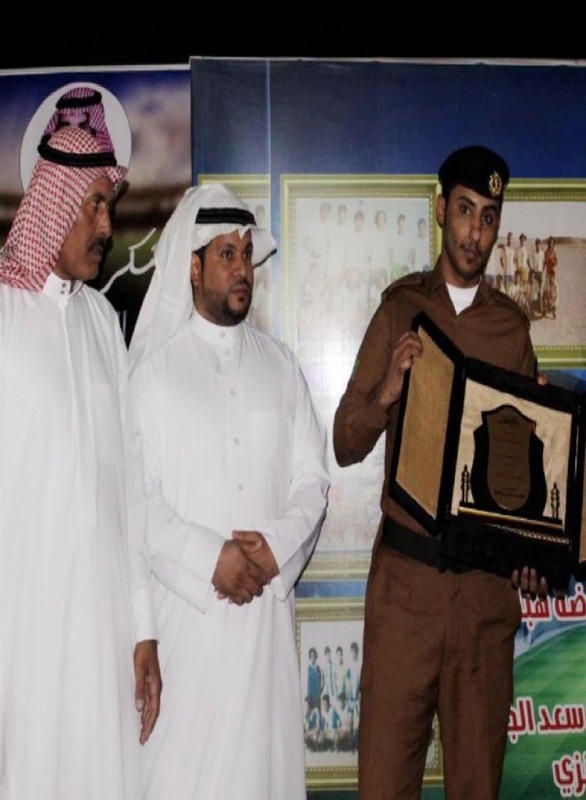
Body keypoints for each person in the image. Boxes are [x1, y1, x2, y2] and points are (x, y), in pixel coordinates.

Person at [333, 145, 544, 798]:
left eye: (488, 216)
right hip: (407, 593)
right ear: (440, 211)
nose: (475, 231)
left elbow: (530, 476)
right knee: (384, 783)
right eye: (465, 211)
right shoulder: (399, 310)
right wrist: (388, 391)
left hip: (483, 597)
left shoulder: (511, 329)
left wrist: (535, 547)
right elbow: (344, 441)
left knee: (477, 785)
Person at [127, 182, 330, 800]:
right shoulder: (153, 375)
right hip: (190, 630)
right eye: (226, 255)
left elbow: (313, 480)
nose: (243, 269)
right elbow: (137, 501)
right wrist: (211, 558)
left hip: (264, 633)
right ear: (193, 268)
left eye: (246, 254)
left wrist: (274, 549)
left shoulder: (281, 365)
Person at [0, 124, 161, 799]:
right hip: (22, 625)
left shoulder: (102, 325)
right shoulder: (5, 317)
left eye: (109, 206)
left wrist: (144, 632)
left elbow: (129, 493)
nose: (105, 225)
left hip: (101, 628)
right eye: (93, 204)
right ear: (54, 202)